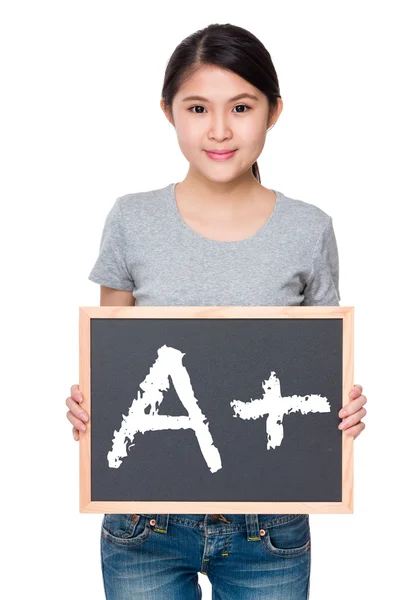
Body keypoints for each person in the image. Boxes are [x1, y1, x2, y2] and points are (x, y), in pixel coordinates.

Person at [66, 22, 367, 600]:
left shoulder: (309, 229)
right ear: (169, 111)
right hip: (143, 522)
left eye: (242, 107)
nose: (221, 130)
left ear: (274, 111)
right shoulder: (131, 220)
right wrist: (89, 403)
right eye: (199, 107)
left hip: (269, 525)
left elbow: (322, 370)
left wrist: (343, 412)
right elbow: (112, 358)